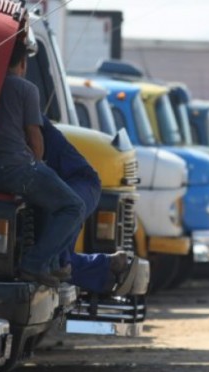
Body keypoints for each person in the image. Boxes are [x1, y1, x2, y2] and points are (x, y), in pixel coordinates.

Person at [0, 38, 84, 286]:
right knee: (73, 206)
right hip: (17, 169)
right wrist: (39, 163)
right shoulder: (26, 89)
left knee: (47, 200)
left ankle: (51, 265)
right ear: (23, 62)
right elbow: (35, 137)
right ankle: (35, 264)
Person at [41, 120, 137, 294]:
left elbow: (35, 153)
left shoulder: (23, 103)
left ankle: (107, 266)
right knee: (54, 259)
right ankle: (108, 265)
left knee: (56, 262)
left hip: (77, 183)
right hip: (66, 185)